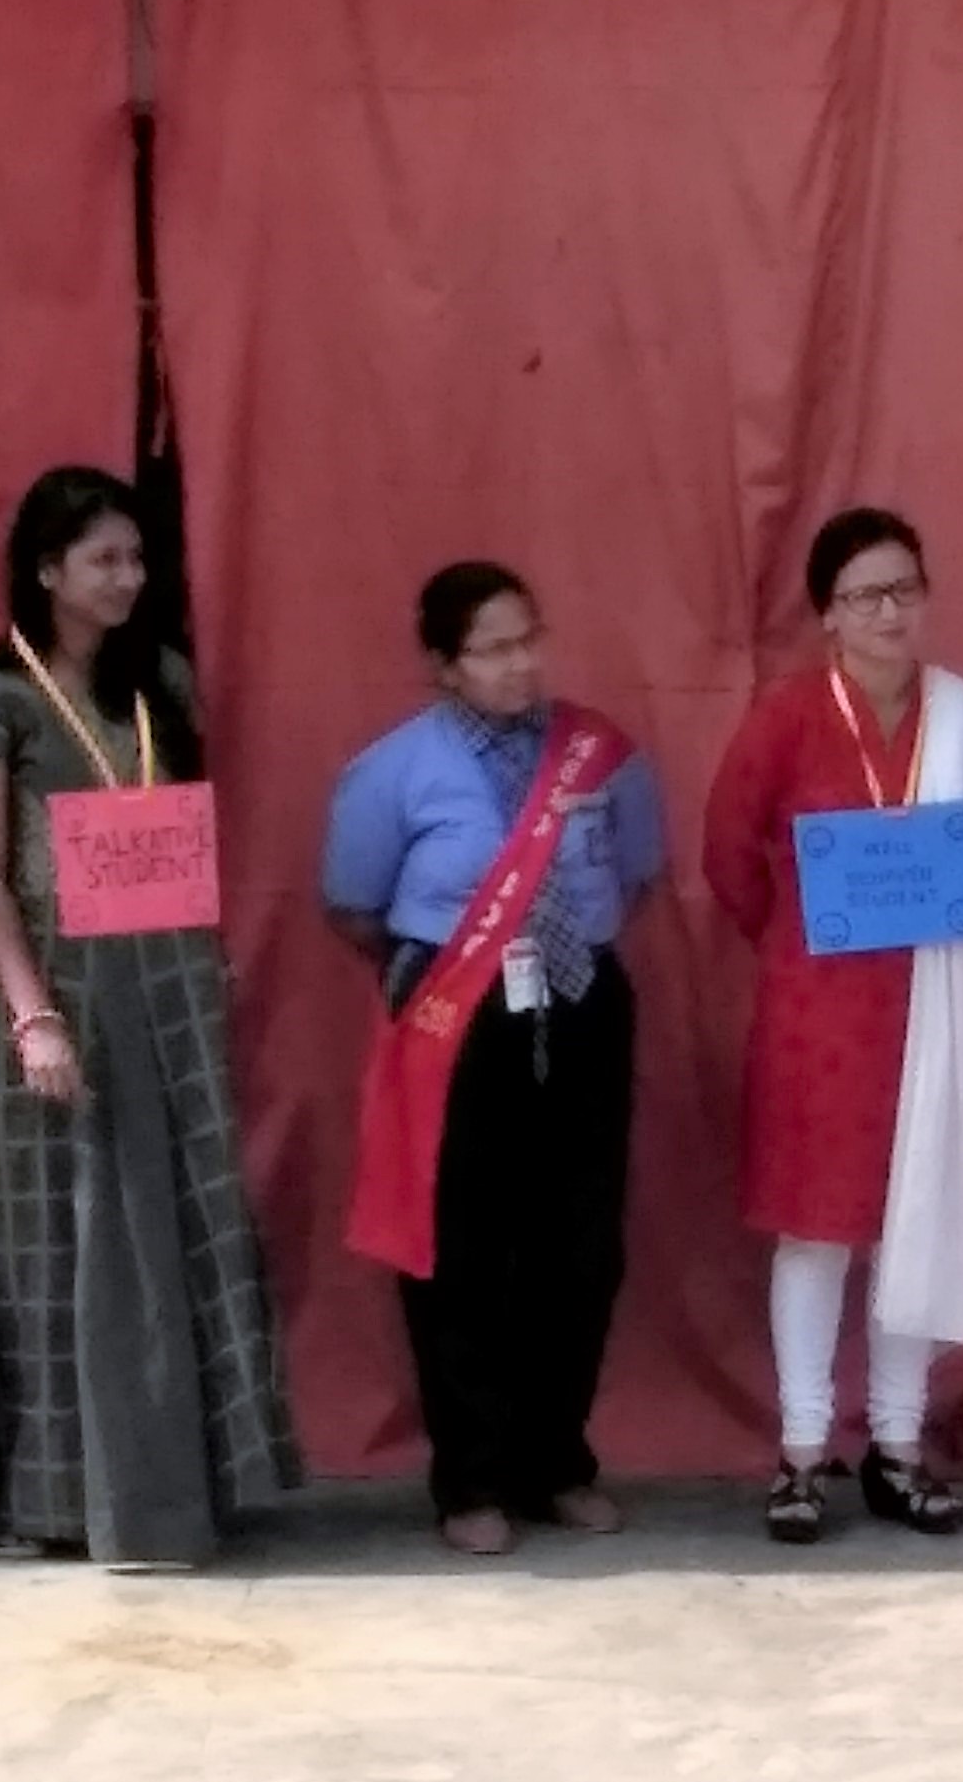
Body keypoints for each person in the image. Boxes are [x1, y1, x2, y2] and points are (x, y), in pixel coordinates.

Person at [0, 465, 300, 1564]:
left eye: (136, 557)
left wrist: (205, 953)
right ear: (47, 571)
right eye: (102, 559)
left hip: (169, 986)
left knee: (177, 1224)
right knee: (54, 1239)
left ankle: (186, 1486)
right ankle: (48, 1498)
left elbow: (182, 834)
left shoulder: (163, 684)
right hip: (60, 989)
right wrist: (31, 1016)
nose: (126, 577)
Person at [323, 562, 664, 1556]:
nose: (519, 664)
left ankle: (555, 1459)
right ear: (444, 665)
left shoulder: (600, 754)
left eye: (528, 640)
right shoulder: (393, 769)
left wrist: (566, 953)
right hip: (456, 1015)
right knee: (461, 1245)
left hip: (582, 1004)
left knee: (580, 1244)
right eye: (492, 649)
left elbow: (638, 875)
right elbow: (353, 905)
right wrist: (450, 970)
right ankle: (470, 1476)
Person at [704, 507, 963, 1543]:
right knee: (815, 1230)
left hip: (929, 1005)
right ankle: (801, 1452)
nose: (889, 612)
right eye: (864, 595)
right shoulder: (787, 718)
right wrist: (797, 935)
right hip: (815, 1015)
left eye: (904, 589)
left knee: (916, 1219)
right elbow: (727, 852)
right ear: (827, 614)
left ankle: (897, 1445)